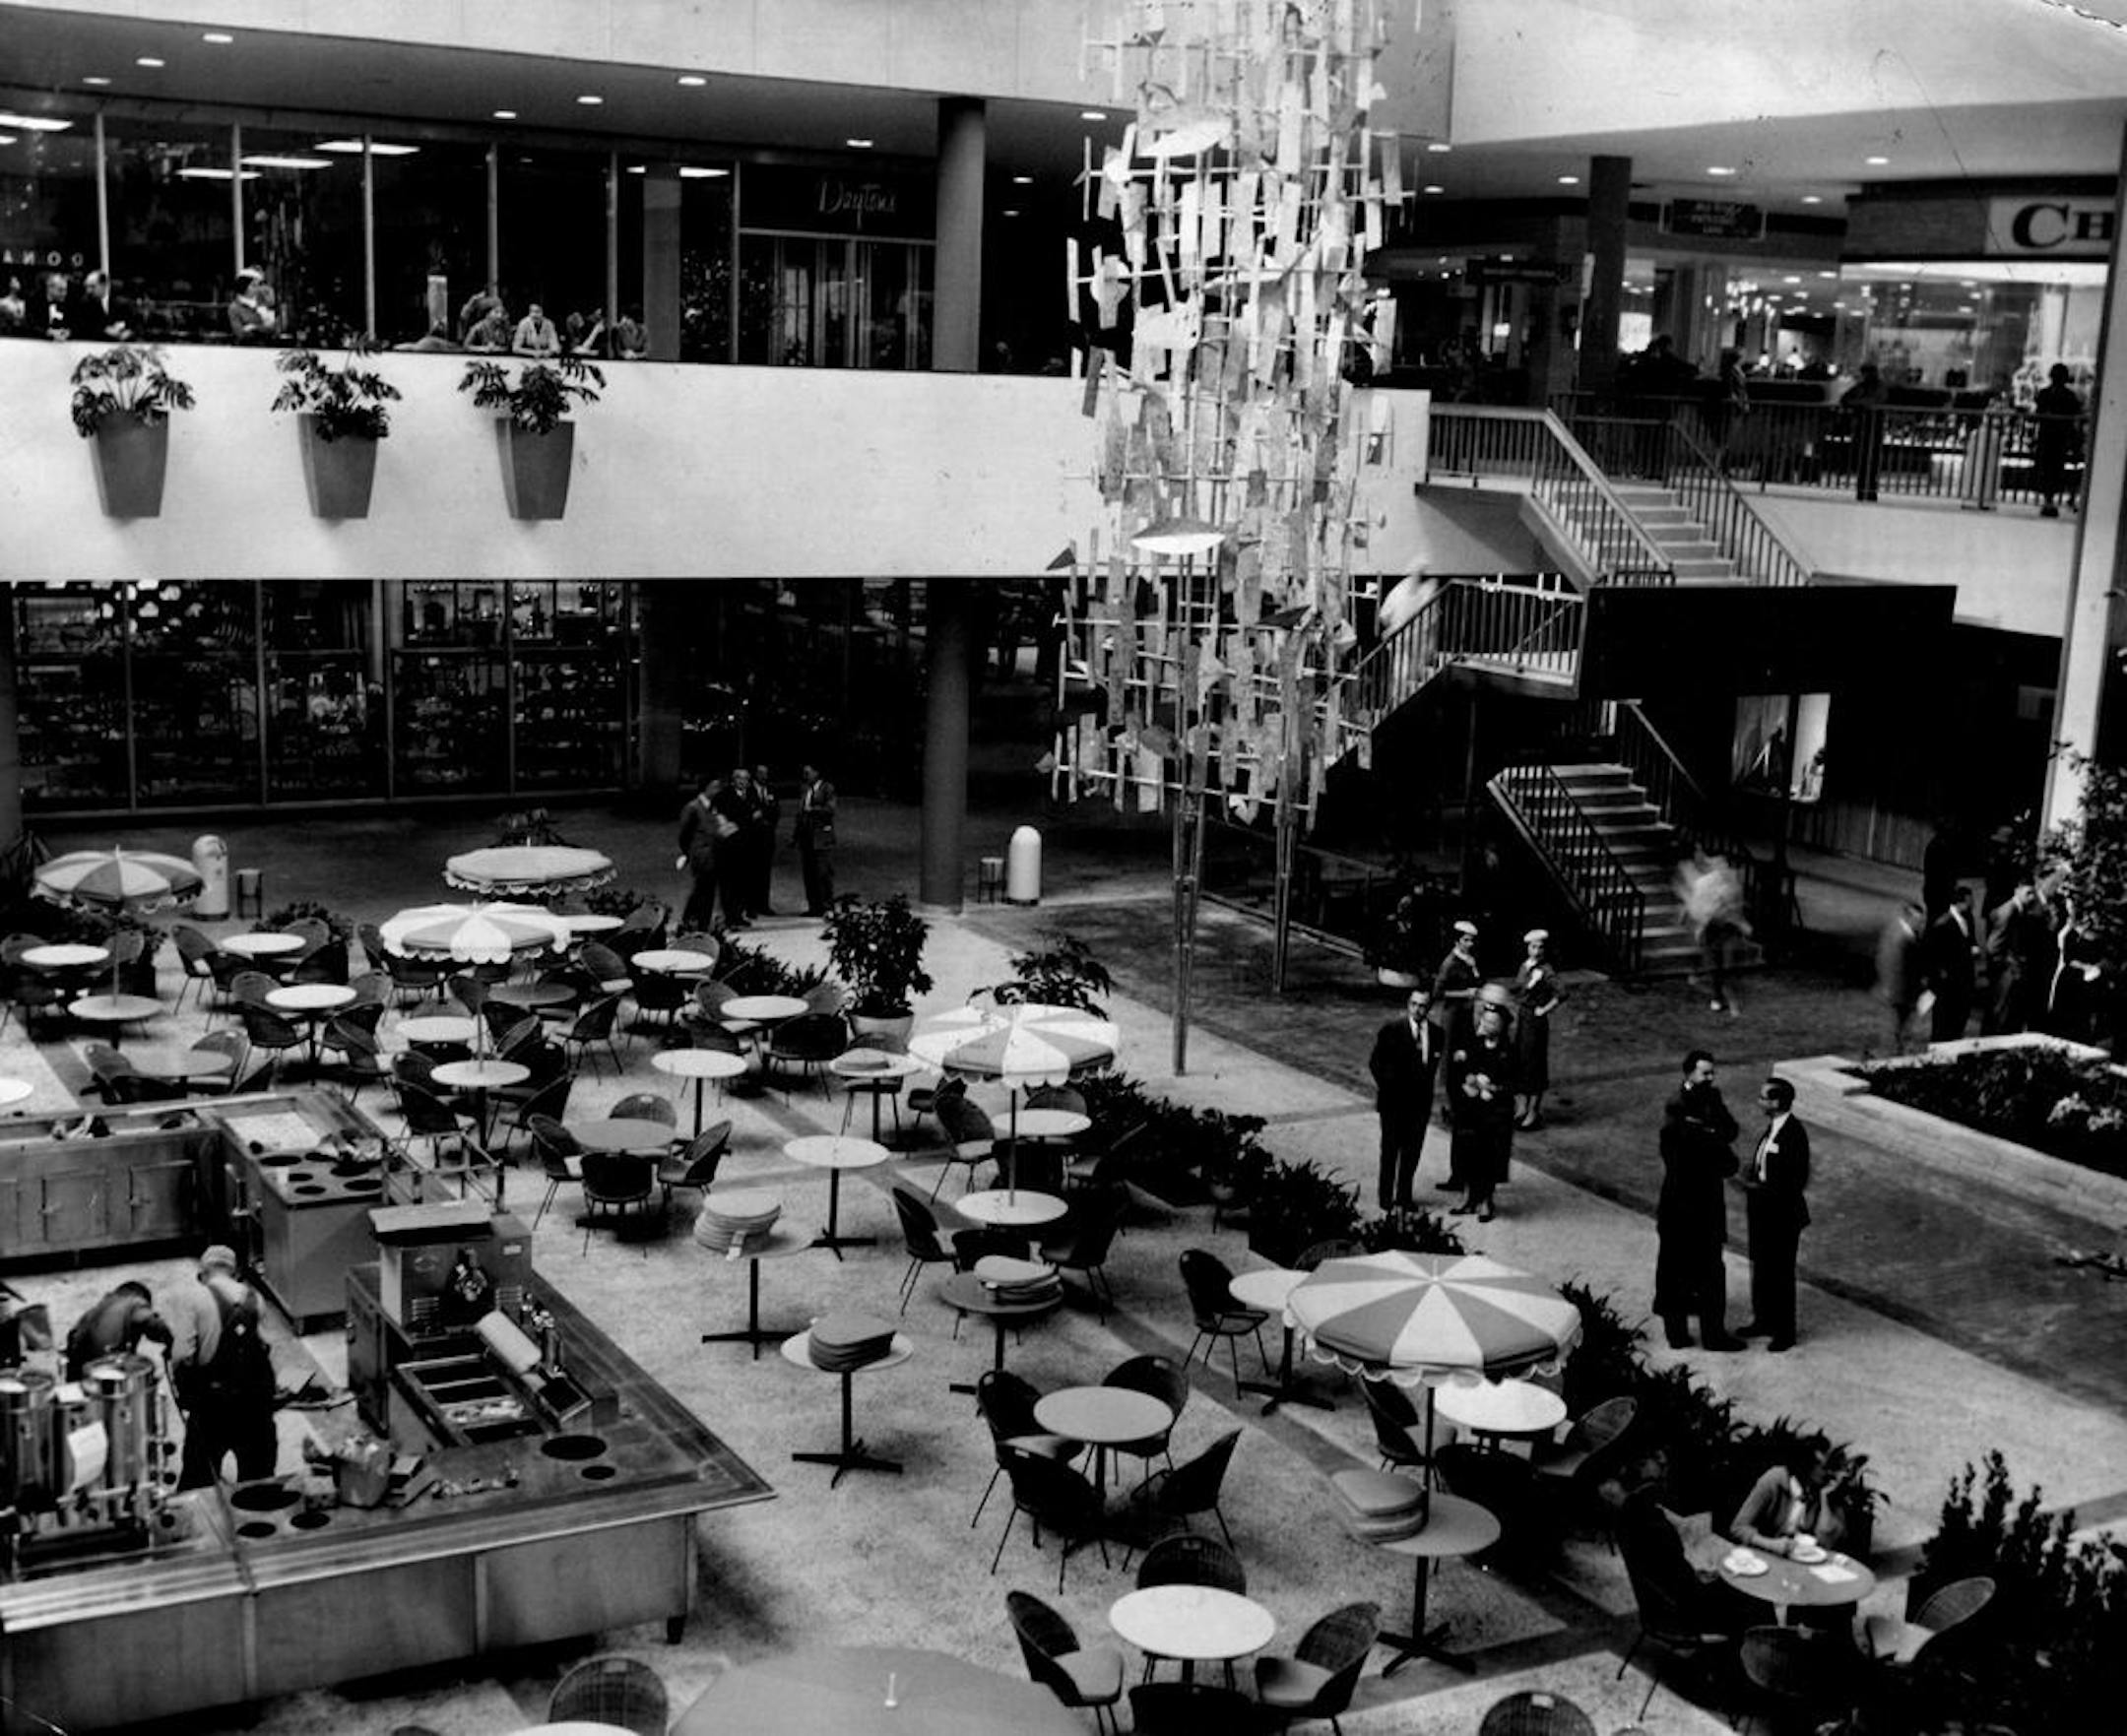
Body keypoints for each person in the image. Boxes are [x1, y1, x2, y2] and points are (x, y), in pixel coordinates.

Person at [167, 1245, 279, 1490]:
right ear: (234, 1272)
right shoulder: (255, 1299)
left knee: (199, 1483)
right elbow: (266, 1348)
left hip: (211, 1407)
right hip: (253, 1407)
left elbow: (181, 1355)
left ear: (203, 1273)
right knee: (259, 1483)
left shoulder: (194, 1299)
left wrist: (186, 1388)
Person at [1653, 1050, 1743, 1351]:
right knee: (1680, 1267)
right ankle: (1682, 1333)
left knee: (1705, 1268)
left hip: (1703, 1200)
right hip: (1684, 1202)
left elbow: (1730, 1130)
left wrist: (1710, 1135)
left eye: (1712, 1072)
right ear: (1689, 1072)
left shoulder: (1711, 1098)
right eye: (1705, 1073)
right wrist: (1712, 1138)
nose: (1711, 1077)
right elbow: (1681, 1155)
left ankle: (1707, 1332)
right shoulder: (1677, 1107)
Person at [1736, 1076, 1811, 1352]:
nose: (1759, 1102)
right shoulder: (1773, 1129)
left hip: (1782, 1216)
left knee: (1780, 1273)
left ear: (1777, 1102)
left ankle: (1784, 1332)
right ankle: (1763, 1320)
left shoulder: (1793, 1133)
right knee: (1762, 1268)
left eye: (1764, 1097)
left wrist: (1761, 1189)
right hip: (1762, 1212)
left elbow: (1795, 1179)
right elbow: (1767, 1163)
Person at [1446, 985, 1515, 1222]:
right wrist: (1469, 1082)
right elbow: (1463, 1071)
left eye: (1492, 1022)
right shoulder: (1474, 1046)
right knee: (1469, 1153)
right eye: (1485, 1020)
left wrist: (1492, 1089)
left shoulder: (1507, 1051)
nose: (1487, 1025)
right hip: (1473, 1111)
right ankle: (1469, 1197)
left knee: (1490, 1157)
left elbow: (1512, 1082)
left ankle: (1486, 1200)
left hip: (1494, 1113)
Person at [1369, 986, 1442, 1213]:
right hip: (1394, 1103)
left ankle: (1404, 1195)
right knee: (1390, 1150)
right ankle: (1385, 1196)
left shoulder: (1437, 1034)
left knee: (1412, 1152)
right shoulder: (1391, 1030)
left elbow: (1432, 1067)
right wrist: (1390, 1087)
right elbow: (1376, 1063)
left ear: (1429, 1008)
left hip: (1419, 1104)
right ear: (1408, 1004)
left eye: (1423, 1006)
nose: (1418, 1010)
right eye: (1414, 1004)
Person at [1729, 1441, 1849, 1557]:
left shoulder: (1825, 1490)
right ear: (1805, 1465)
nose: (1830, 1473)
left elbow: (1826, 1543)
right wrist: (1770, 1544)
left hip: (1799, 1559)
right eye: (1824, 1467)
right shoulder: (1774, 1480)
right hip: (1762, 1555)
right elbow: (1738, 1528)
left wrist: (1825, 1500)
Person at [1677, 847, 1750, 1016]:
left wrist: (1739, 921)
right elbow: (1699, 906)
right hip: (1713, 925)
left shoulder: (1729, 882)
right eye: (1718, 864)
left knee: (1720, 961)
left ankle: (1718, 992)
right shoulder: (1708, 883)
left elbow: (1734, 904)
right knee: (1717, 961)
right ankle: (1718, 995)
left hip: (1724, 926)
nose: (1722, 867)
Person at [1982, 876, 2055, 1035]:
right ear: (2017, 891)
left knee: (2010, 1018)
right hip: (2006, 975)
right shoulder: (2008, 912)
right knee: (2001, 1017)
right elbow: (1993, 948)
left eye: (2033, 893)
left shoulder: (2021, 911)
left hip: (2013, 974)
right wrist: (2011, 966)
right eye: (2028, 893)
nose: (2031, 897)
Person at [63, 1279, 173, 1380]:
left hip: (79, 1377)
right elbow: (152, 1323)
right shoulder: (135, 1302)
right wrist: (170, 1341)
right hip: (106, 1373)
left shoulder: (96, 1309)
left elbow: (72, 1337)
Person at [1511, 928, 1561, 1129]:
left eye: (1540, 947)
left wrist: (1545, 1009)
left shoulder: (1547, 970)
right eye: (1533, 947)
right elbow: (1518, 988)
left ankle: (1533, 1111)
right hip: (1523, 1017)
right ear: (1528, 948)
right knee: (1520, 1060)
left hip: (1535, 1020)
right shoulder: (1524, 966)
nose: (1537, 951)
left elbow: (1561, 993)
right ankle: (1522, 1107)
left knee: (1535, 1064)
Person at [1923, 885, 1979, 1043]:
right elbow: (1935, 957)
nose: (1973, 905)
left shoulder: (1968, 919)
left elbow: (1971, 941)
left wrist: (1973, 948)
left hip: (1963, 982)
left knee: (1958, 1021)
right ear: (1959, 903)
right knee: (1944, 1023)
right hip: (1949, 985)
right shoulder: (1943, 924)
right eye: (1970, 902)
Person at [676, 775, 730, 931]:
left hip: (714, 855)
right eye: (714, 787)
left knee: (707, 891)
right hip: (701, 855)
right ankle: (691, 921)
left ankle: (702, 922)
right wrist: (690, 852)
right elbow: (684, 834)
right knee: (701, 890)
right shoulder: (693, 808)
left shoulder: (714, 807)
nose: (717, 791)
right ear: (706, 788)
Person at [2030, 362, 2084, 518]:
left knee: (2049, 469)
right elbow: (2074, 415)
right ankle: (2052, 499)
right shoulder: (2068, 396)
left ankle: (2049, 499)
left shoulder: (2045, 394)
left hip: (2050, 437)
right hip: (2058, 438)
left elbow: (2039, 414)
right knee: (2054, 469)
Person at [1873, 900, 1927, 1054]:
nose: (1921, 924)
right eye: (1918, 921)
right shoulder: (1898, 937)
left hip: (1905, 992)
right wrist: (1893, 990)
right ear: (1908, 918)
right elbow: (1889, 965)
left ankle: (1897, 1052)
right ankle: (1891, 1056)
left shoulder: (1907, 933)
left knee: (1902, 1029)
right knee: (1894, 1029)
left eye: (1922, 921)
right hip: (1897, 993)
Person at [712, 768, 764, 929]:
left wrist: (747, 820)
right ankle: (729, 916)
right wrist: (748, 818)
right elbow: (727, 820)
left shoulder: (752, 795)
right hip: (730, 847)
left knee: (744, 882)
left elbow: (759, 813)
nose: (743, 782)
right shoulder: (724, 796)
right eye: (740, 779)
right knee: (729, 883)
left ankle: (739, 914)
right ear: (733, 780)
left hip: (748, 845)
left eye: (746, 779)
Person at [794, 762, 838, 915]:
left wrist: (813, 810)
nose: (805, 776)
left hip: (821, 836)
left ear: (816, 773)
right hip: (806, 836)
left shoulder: (827, 788)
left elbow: (830, 809)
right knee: (809, 873)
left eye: (808, 773)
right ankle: (813, 906)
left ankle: (826, 905)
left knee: (823, 872)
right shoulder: (804, 789)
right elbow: (800, 813)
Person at [1841, 361, 1888, 501]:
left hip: (1870, 426)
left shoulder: (1870, 387)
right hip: (1868, 427)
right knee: (1867, 460)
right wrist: (1862, 404)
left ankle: (1867, 490)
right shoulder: (1867, 387)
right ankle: (1866, 490)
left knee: (1869, 460)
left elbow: (1874, 401)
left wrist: (1858, 404)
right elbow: (1845, 400)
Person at [750, 764, 781, 916]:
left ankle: (763, 904)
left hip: (767, 836)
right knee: (751, 872)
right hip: (752, 837)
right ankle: (751, 905)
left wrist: (769, 822)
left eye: (766, 773)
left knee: (765, 872)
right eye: (761, 773)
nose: (764, 776)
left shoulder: (771, 790)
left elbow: (776, 810)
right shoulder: (749, 790)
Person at [227, 267, 278, 342]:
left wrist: (254, 327)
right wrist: (263, 328)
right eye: (253, 285)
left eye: (258, 285)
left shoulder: (263, 304)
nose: (257, 289)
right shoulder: (234, 308)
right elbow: (240, 334)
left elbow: (275, 329)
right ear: (243, 286)